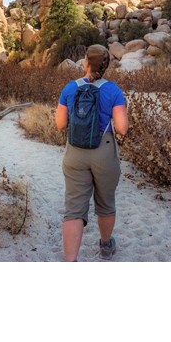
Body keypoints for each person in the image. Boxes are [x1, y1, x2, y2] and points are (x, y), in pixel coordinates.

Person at [55, 44, 128, 262]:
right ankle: (105, 246)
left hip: (75, 151)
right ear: (106, 65)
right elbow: (122, 128)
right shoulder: (113, 90)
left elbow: (59, 124)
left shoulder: (70, 88)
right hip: (103, 151)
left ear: (85, 63)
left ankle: (71, 261)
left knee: (74, 209)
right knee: (105, 203)